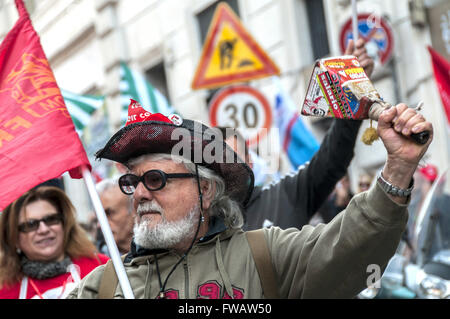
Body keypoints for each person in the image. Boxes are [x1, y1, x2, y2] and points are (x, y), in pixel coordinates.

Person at [67, 96, 433, 299]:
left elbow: (349, 246)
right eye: (133, 182)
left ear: (205, 191)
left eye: (156, 179)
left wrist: (398, 169)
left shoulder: (266, 255)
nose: (141, 193)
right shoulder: (103, 287)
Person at [216, 39, 374, 230]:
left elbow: (331, 160)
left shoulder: (284, 197)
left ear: (250, 161)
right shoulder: (200, 231)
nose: (228, 169)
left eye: (234, 158)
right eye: (219, 163)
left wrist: (352, 91)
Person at [0, 186, 109, 299]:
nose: (44, 230)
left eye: (51, 219)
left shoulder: (100, 266)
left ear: (64, 224)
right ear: (14, 237)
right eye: (31, 224)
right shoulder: (5, 291)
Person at [95, 177, 135, 255]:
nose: (99, 225)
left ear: (134, 210)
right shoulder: (98, 264)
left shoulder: (160, 255)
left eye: (109, 213)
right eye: (99, 216)